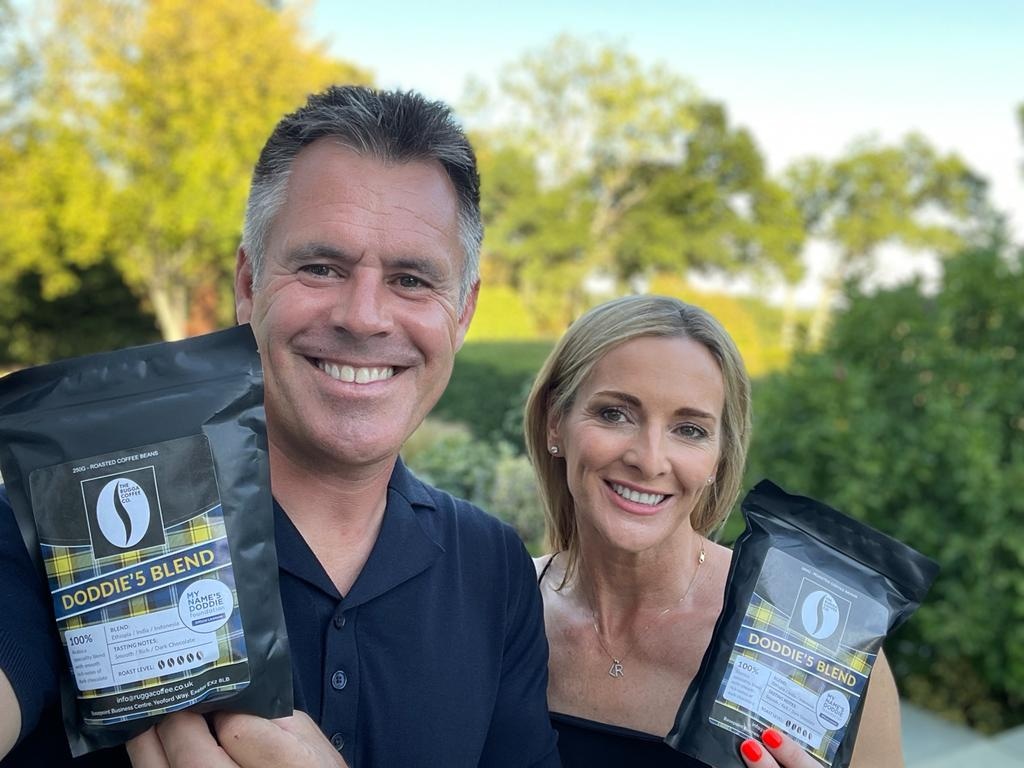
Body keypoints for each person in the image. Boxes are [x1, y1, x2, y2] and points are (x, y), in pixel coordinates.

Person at [0, 86, 560, 767]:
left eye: (413, 280)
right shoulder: (69, 522)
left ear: (463, 312)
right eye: (321, 268)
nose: (364, 317)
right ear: (248, 284)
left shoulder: (492, 567)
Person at [524, 295, 905, 768]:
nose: (650, 459)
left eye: (689, 430)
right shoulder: (501, 611)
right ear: (554, 423)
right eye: (614, 414)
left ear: (719, 459)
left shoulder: (810, 645)